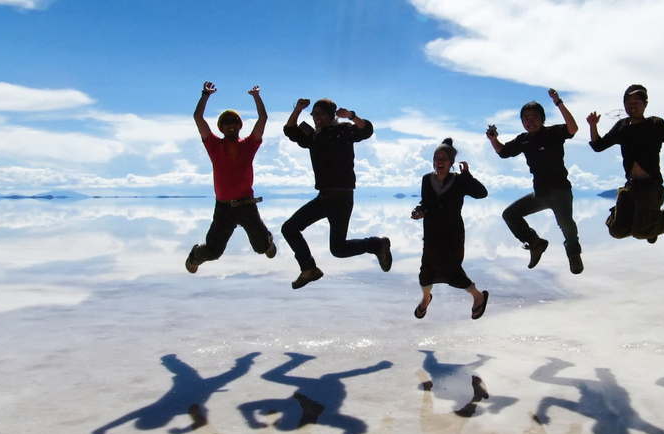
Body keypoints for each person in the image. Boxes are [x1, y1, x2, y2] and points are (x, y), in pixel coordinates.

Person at [281, 97, 392, 289]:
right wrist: (298, 109)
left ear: (331, 115)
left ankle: (377, 244)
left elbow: (366, 130)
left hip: (341, 197)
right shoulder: (313, 136)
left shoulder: (343, 131)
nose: (316, 118)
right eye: (314, 114)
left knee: (338, 250)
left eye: (320, 114)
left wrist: (351, 116)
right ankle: (309, 269)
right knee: (289, 228)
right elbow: (289, 130)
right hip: (323, 197)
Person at [486, 88, 583, 274]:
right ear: (522, 122)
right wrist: (493, 139)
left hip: (561, 192)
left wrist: (558, 102)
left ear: (542, 119)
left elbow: (573, 129)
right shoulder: (523, 140)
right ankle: (535, 242)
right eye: (526, 118)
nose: (530, 121)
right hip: (540, 194)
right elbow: (503, 152)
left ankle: (574, 254)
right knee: (510, 215)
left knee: (567, 225)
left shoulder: (553, 133)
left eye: (534, 117)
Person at [185, 81, 276, 274]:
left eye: (235, 122)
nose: (231, 125)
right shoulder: (214, 145)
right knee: (213, 251)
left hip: (247, 205)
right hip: (224, 208)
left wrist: (257, 97)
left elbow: (263, 118)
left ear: (239, 125)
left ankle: (266, 240)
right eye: (226, 123)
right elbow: (197, 117)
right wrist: (205, 95)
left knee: (261, 248)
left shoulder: (249, 145)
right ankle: (195, 255)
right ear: (221, 127)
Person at [587, 84, 664, 243]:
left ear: (645, 104)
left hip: (651, 184)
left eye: (637, 102)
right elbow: (598, 146)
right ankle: (650, 226)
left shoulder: (655, 124)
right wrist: (593, 125)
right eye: (628, 102)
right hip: (632, 185)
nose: (632, 105)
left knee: (640, 233)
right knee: (617, 231)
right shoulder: (622, 126)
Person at [411, 138, 489, 320]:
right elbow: (426, 202)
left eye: (444, 158)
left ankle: (478, 296)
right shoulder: (426, 179)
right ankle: (425, 298)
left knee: (452, 270)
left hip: (453, 233)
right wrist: (418, 210)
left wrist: (467, 176)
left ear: (451, 162)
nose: (440, 161)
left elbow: (481, 193)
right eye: (437, 157)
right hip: (431, 232)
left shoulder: (460, 181)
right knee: (426, 271)